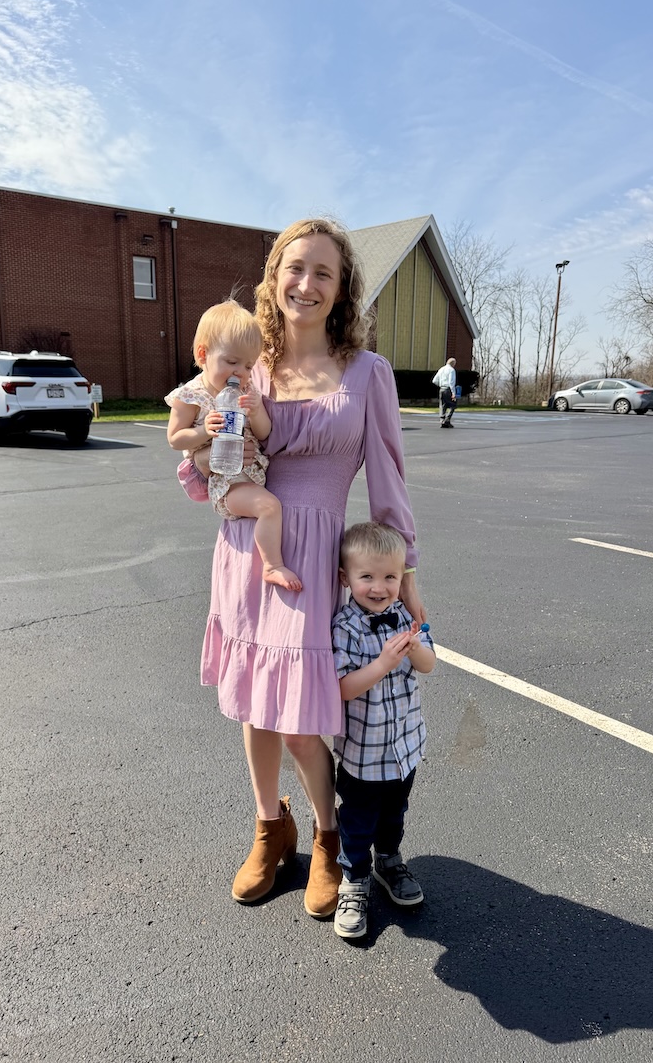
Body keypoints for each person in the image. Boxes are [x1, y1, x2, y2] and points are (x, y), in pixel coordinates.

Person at [179, 218, 425, 920]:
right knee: (254, 701)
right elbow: (207, 449)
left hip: (319, 557)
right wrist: (200, 449)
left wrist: (406, 580)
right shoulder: (249, 364)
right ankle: (268, 825)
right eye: (294, 267)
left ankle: (327, 837)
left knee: (303, 717)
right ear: (273, 277)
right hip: (251, 545)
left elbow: (389, 482)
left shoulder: (368, 372)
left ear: (342, 286)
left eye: (323, 271)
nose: (305, 283)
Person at [331, 521, 436, 940]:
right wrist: (381, 665)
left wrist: (415, 648)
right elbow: (341, 687)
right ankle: (353, 880)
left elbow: (430, 665)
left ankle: (388, 861)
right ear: (346, 578)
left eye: (390, 577)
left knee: (395, 813)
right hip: (362, 753)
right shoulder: (346, 626)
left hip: (404, 746)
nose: (379, 587)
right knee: (357, 820)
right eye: (367, 576)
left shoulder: (408, 618)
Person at [166, 300, 302, 591]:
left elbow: (264, 433)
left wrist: (257, 411)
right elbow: (175, 438)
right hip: (227, 485)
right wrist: (204, 431)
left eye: (249, 365)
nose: (240, 372)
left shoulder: (247, 391)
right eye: (232, 362)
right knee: (269, 507)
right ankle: (272, 565)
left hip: (251, 475)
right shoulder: (191, 395)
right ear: (203, 354)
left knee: (274, 507)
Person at [433, 357, 458, 427]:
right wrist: (453, 393)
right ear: (453, 364)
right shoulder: (451, 370)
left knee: (442, 405)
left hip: (442, 389)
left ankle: (442, 420)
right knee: (453, 405)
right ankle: (447, 420)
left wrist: (441, 385)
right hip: (448, 389)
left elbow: (434, 380)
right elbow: (451, 382)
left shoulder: (441, 369)